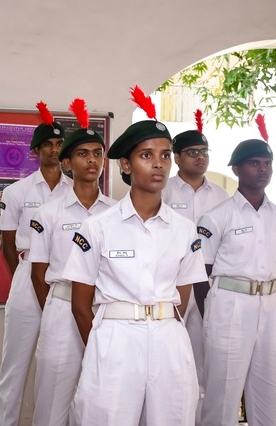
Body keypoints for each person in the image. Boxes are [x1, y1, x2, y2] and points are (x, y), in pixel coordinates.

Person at [62, 86, 207, 426]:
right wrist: (102, 347)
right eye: (146, 155)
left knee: (172, 418)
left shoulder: (184, 230)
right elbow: (80, 304)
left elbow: (183, 296)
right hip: (115, 338)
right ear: (125, 165)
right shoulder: (97, 227)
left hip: (168, 337)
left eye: (165, 155)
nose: (158, 164)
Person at [198, 118, 276, 426]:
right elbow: (201, 274)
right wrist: (211, 314)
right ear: (237, 169)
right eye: (254, 163)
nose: (263, 169)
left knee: (269, 391)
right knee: (223, 393)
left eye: (267, 163)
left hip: (271, 305)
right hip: (230, 306)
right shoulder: (216, 217)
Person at [30, 99, 116, 426]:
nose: (92, 160)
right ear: (66, 162)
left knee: (100, 402)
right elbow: (38, 274)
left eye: (97, 153)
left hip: (104, 311)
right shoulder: (48, 213)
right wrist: (54, 312)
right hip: (63, 309)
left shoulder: (117, 212)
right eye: (82, 154)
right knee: (52, 402)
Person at [0, 101, 73, 426]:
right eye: (47, 145)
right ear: (36, 151)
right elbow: (8, 244)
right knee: (14, 367)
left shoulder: (75, 191)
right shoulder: (17, 191)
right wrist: (23, 276)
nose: (54, 150)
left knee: (61, 365)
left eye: (59, 143)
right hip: (27, 276)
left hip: (64, 279)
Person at [161, 109, 228, 424]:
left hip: (207, 284)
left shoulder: (222, 195)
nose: (200, 157)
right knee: (169, 360)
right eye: (192, 152)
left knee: (204, 360)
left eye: (204, 151)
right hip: (171, 284)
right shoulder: (164, 191)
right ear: (176, 157)